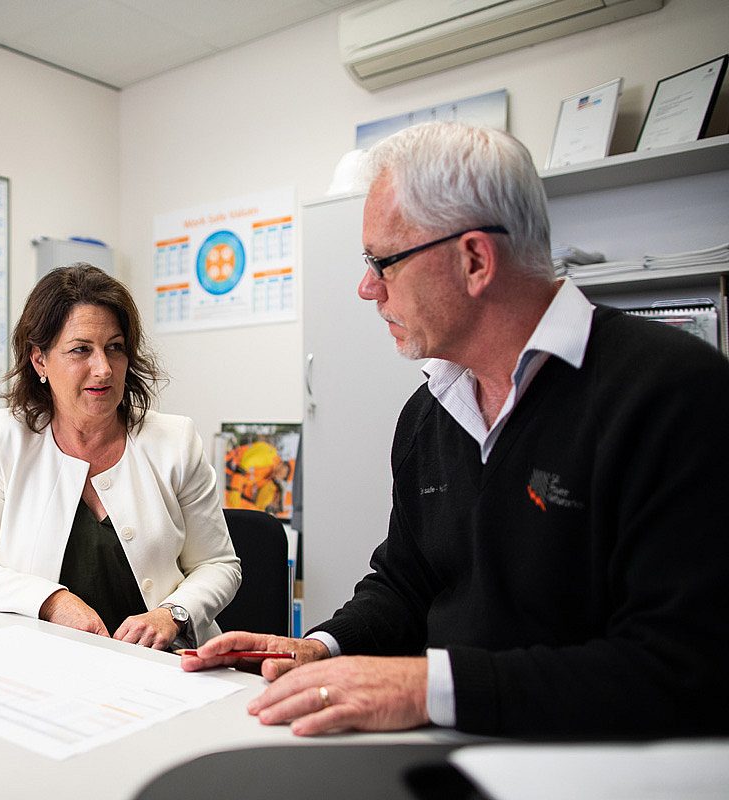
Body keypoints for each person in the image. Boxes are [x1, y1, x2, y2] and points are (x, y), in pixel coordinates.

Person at [183, 122, 729, 737]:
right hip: (458, 747)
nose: (367, 288)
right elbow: (406, 582)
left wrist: (426, 687)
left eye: (381, 262)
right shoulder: (428, 415)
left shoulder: (674, 393)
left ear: (474, 259)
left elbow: (685, 667)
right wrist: (323, 647)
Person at [0, 264, 241, 649]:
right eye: (81, 350)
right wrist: (50, 601)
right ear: (40, 360)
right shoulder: (4, 437)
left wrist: (172, 612)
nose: (104, 369)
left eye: (115, 347)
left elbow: (219, 565)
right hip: (44, 661)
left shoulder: (175, 441)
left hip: (162, 663)